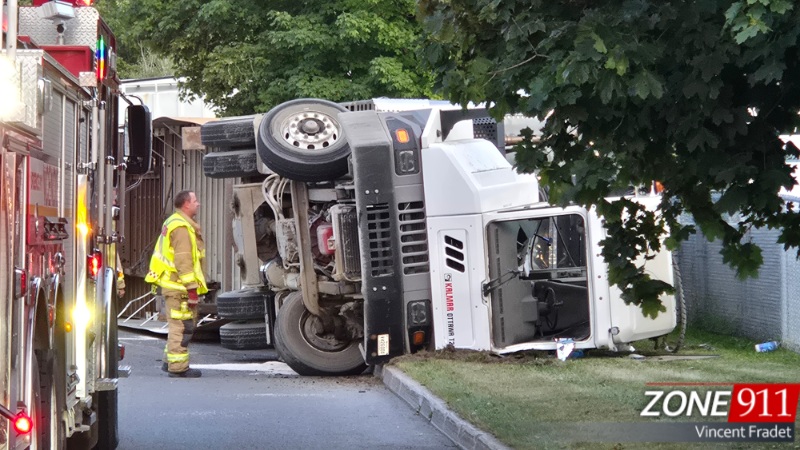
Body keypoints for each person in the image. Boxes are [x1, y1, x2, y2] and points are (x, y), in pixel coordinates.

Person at [145, 190, 208, 378]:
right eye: (195, 201)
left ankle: (168, 362)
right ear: (186, 205)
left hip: (173, 285)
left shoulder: (172, 222)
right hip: (179, 287)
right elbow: (183, 261)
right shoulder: (181, 227)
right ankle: (178, 367)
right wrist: (192, 291)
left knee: (178, 325)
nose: (199, 204)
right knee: (182, 326)